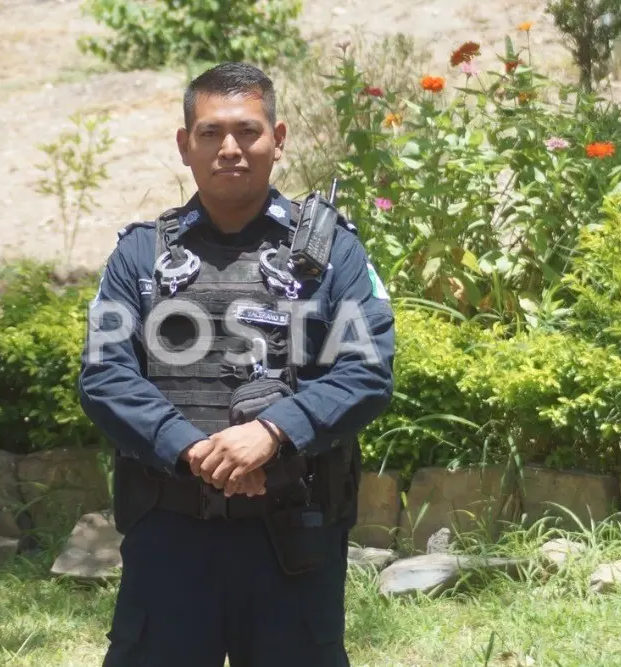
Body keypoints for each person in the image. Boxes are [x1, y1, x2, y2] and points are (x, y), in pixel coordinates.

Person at [78, 61, 395, 667]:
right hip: (171, 535)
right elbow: (105, 376)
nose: (230, 149)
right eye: (210, 133)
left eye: (247, 131)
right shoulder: (140, 255)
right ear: (184, 145)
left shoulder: (334, 255)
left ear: (278, 140)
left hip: (290, 539)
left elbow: (368, 371)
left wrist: (273, 433)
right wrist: (192, 449)